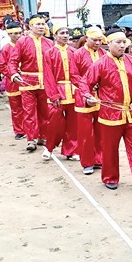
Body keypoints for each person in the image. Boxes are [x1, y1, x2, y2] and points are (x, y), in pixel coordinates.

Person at [79, 27, 132, 191]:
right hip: (110, 114)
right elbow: (85, 83)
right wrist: (87, 97)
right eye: (118, 42)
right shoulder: (100, 64)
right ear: (108, 43)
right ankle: (110, 177)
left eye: (124, 42)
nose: (122, 45)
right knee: (110, 148)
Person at [9, 14, 53, 152]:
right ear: (30, 26)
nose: (41, 26)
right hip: (27, 82)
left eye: (43, 24)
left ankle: (43, 136)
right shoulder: (22, 42)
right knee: (29, 111)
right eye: (38, 24)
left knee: (45, 112)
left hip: (45, 82)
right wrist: (14, 74)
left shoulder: (49, 43)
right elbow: (13, 61)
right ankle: (31, 139)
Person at [71, 26, 107, 174]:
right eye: (94, 40)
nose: (98, 43)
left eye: (100, 40)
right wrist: (87, 87)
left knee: (101, 130)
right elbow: (74, 75)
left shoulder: (103, 53)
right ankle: (87, 162)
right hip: (83, 96)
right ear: (86, 39)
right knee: (85, 132)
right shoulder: (78, 54)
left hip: (101, 96)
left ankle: (100, 158)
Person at [42, 26, 79, 161]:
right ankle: (49, 147)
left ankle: (71, 149)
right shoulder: (49, 53)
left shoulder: (74, 52)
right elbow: (48, 75)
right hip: (57, 90)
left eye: (67, 33)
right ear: (55, 35)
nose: (65, 35)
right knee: (54, 122)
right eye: (62, 33)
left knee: (73, 123)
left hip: (73, 91)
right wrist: (53, 94)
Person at [0, 21, 25, 140]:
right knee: (16, 107)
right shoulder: (6, 49)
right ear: (9, 34)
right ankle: (19, 130)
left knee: (30, 107)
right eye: (15, 33)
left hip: (28, 80)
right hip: (13, 82)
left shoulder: (26, 46)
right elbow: (1, 65)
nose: (18, 36)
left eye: (20, 33)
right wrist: (13, 74)